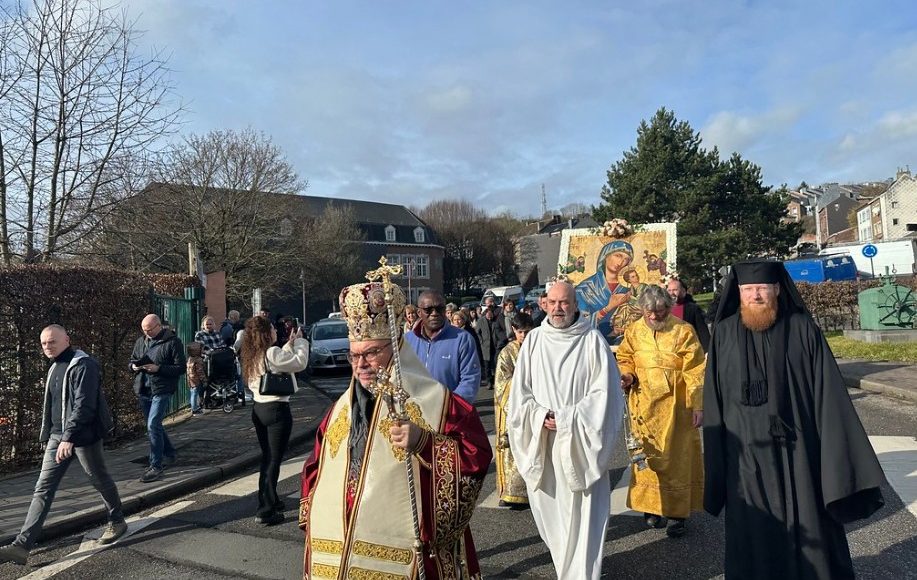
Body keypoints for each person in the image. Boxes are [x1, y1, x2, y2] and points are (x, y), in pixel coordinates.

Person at [703, 260, 886, 580]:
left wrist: (834, 458)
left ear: (776, 289)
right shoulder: (724, 334)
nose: (755, 296)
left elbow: (829, 395)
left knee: (810, 525)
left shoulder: (803, 329)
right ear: (738, 292)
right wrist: (717, 458)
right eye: (748, 290)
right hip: (745, 460)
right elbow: (714, 399)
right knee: (752, 531)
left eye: (762, 288)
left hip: (800, 454)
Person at [299, 278, 492, 579]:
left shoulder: (438, 404)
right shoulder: (338, 412)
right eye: (355, 354)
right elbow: (315, 467)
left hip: (408, 556)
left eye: (372, 353)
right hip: (338, 555)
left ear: (397, 347)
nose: (361, 364)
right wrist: (312, 518)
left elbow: (475, 456)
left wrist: (424, 442)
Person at [508, 281, 624, 580]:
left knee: (584, 519)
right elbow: (520, 395)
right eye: (554, 302)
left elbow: (605, 396)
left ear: (575, 305)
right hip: (544, 443)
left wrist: (567, 418)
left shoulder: (592, 342)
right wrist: (540, 416)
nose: (559, 308)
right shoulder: (533, 342)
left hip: (580, 445)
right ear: (544, 304)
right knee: (553, 520)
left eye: (565, 303)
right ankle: (566, 571)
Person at [0, 325, 127, 566]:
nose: (48, 347)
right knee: (42, 488)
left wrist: (69, 437)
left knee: (99, 479)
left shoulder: (84, 365)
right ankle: (21, 546)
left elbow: (84, 405)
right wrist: (51, 435)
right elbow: (54, 406)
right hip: (58, 437)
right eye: (44, 343)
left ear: (67, 339)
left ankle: (117, 520)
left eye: (52, 342)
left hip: (84, 437)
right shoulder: (54, 366)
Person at [616, 285, 706, 537]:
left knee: (677, 460)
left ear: (669, 306)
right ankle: (651, 509)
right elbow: (626, 356)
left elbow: (696, 370)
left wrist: (697, 405)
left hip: (676, 408)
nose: (655, 316)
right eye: (649, 312)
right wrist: (628, 374)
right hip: (643, 405)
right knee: (647, 459)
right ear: (642, 309)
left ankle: (677, 514)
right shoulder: (634, 331)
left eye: (660, 311)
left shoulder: (684, 331)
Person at [241, 315, 308, 525]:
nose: (276, 331)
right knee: (273, 461)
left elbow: (280, 363)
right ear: (266, 333)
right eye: (272, 329)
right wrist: (301, 342)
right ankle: (266, 510)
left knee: (267, 457)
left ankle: (272, 499)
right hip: (277, 410)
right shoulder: (271, 352)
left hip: (259, 409)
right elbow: (299, 363)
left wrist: (290, 343)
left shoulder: (252, 355)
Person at [130, 314, 186, 483]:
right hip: (144, 388)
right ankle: (169, 453)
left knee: (153, 424)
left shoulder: (172, 342)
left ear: (159, 326)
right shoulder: (141, 341)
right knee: (154, 426)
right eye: (144, 330)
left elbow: (180, 367)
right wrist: (133, 366)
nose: (146, 333)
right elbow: (132, 359)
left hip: (162, 389)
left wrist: (158, 368)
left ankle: (156, 465)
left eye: (149, 329)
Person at [405, 290, 481, 402]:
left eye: (439, 308)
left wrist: (448, 405)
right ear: (419, 312)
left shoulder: (462, 339)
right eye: (428, 310)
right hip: (414, 413)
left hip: (450, 412)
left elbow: (470, 379)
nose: (434, 313)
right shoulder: (407, 340)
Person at [493, 312, 534, 509]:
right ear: (514, 331)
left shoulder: (537, 349)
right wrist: (521, 388)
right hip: (512, 409)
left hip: (534, 407)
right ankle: (510, 493)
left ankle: (532, 492)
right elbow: (502, 383)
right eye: (520, 332)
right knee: (511, 450)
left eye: (527, 332)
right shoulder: (507, 353)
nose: (524, 336)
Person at [575, 240, 635, 343]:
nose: (621, 262)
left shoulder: (629, 288)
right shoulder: (584, 289)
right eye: (618, 255)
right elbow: (578, 323)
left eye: (626, 259)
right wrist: (608, 308)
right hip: (592, 343)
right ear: (605, 255)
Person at [667, 277, 711, 352]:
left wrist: (707, 351)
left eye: (675, 290)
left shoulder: (693, 308)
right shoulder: (664, 308)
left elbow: (702, 331)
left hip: (688, 350)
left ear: (683, 291)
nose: (672, 293)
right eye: (669, 290)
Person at [476, 304, 498, 387]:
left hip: (494, 345)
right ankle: (489, 381)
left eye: (491, 314)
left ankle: (494, 380)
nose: (489, 316)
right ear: (485, 314)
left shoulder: (495, 321)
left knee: (495, 364)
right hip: (485, 346)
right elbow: (477, 332)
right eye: (488, 314)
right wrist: (481, 341)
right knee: (487, 365)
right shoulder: (481, 320)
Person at [186, 342, 206, 415]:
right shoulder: (198, 360)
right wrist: (204, 379)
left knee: (193, 392)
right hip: (196, 379)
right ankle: (194, 408)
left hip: (191, 378)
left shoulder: (190, 359)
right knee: (195, 393)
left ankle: (194, 407)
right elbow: (200, 371)